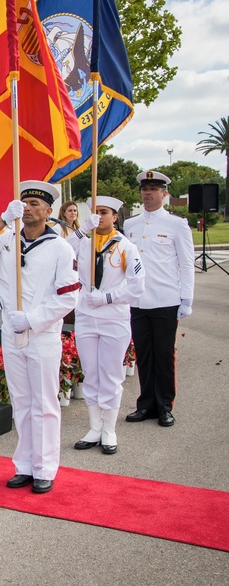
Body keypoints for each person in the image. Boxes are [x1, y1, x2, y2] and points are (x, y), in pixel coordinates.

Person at [0, 181, 79, 493]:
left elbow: (69, 297)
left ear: (48, 211)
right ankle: (25, 465)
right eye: (24, 202)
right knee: (21, 401)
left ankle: (45, 467)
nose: (28, 208)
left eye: (35, 204)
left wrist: (31, 319)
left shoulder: (60, 247)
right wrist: (2, 219)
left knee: (44, 402)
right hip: (10, 330)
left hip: (41, 333)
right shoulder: (4, 239)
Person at [67, 196, 145, 454]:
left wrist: (108, 297)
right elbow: (61, 250)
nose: (99, 216)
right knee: (91, 373)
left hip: (113, 317)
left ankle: (109, 429)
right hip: (87, 316)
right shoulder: (84, 242)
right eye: (95, 212)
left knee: (110, 375)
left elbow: (137, 286)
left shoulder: (125, 246)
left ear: (115, 217)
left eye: (104, 212)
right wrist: (82, 229)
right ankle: (94, 427)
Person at [122, 170, 195, 427]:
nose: (148, 193)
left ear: (165, 193)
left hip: (165, 299)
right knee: (143, 354)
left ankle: (165, 406)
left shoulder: (177, 224)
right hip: (137, 301)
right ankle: (146, 404)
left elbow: (186, 264)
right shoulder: (130, 225)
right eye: (144, 189)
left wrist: (186, 299)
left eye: (154, 189)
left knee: (163, 355)